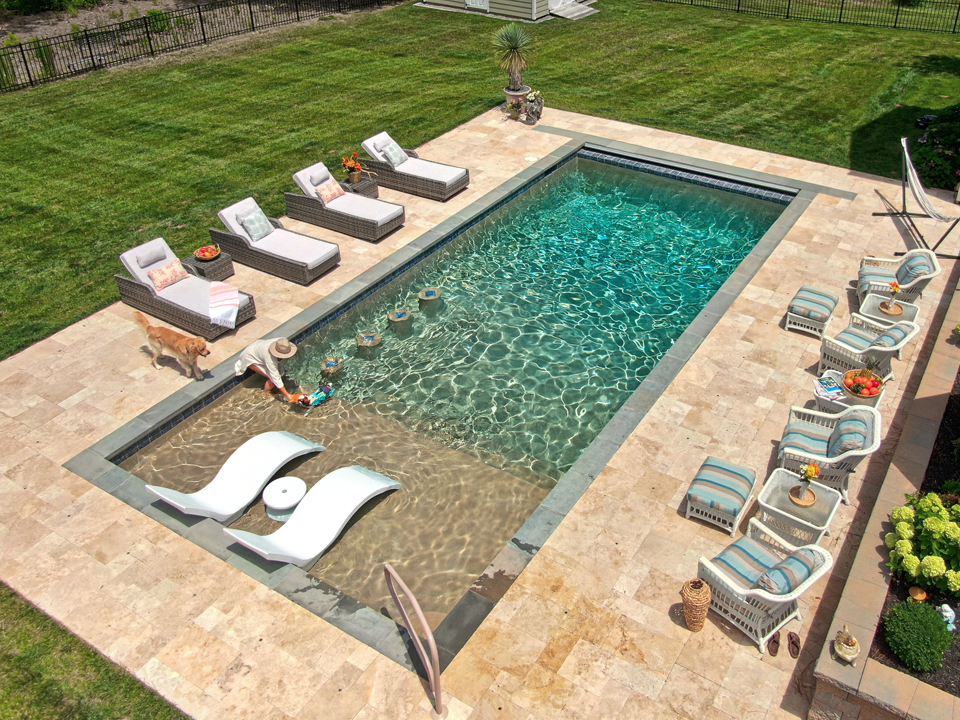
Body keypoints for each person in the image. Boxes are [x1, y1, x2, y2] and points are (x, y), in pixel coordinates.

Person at [235, 337, 298, 403]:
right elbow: (275, 377)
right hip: (250, 357)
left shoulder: (282, 342)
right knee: (273, 379)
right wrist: (287, 395)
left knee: (281, 375)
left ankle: (280, 387)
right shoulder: (270, 359)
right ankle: (267, 392)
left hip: (257, 348)